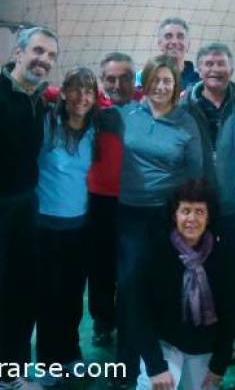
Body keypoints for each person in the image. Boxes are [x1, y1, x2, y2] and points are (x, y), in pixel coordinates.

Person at [115, 54, 203, 386]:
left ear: (176, 86)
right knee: (129, 287)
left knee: (161, 288)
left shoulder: (186, 123)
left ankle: (161, 357)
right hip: (130, 215)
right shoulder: (126, 115)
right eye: (156, 80)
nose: (161, 86)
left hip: (167, 218)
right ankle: (124, 364)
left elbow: (196, 175)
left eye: (168, 81)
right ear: (145, 83)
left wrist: (193, 220)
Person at [182, 42, 235, 351]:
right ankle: (204, 330)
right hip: (200, 206)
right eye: (208, 64)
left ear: (232, 69)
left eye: (220, 63)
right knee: (201, 271)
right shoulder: (184, 106)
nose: (214, 69)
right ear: (198, 69)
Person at [134, 179, 235, 390]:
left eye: (199, 212)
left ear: (209, 218)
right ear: (175, 215)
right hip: (165, 342)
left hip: (203, 346)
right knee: (154, 386)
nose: (191, 219)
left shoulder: (223, 256)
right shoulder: (155, 251)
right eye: (185, 211)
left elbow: (230, 316)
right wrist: (155, 366)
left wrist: (219, 365)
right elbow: (138, 313)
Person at [0, 26, 58, 389]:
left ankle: (11, 374)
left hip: (24, 207)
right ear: (18, 53)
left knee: (20, 293)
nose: (44, 60)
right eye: (38, 51)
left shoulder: (40, 101)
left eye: (51, 56)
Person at [35, 67, 98, 387]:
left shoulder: (95, 130)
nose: (81, 96)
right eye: (75, 89)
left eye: (88, 90)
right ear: (63, 92)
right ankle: (48, 362)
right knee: (48, 297)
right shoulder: (47, 123)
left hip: (79, 229)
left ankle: (71, 355)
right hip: (45, 229)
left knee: (73, 297)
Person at [86, 52, 137, 347]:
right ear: (102, 81)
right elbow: (56, 92)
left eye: (125, 78)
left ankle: (133, 319)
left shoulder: (147, 104)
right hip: (98, 202)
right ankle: (103, 320)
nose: (117, 84)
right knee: (101, 267)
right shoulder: (92, 108)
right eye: (110, 79)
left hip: (135, 202)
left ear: (135, 79)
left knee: (133, 266)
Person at [136, 17, 200, 90]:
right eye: (168, 36)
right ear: (160, 44)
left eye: (180, 36)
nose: (174, 41)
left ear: (188, 44)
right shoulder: (142, 77)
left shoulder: (199, 79)